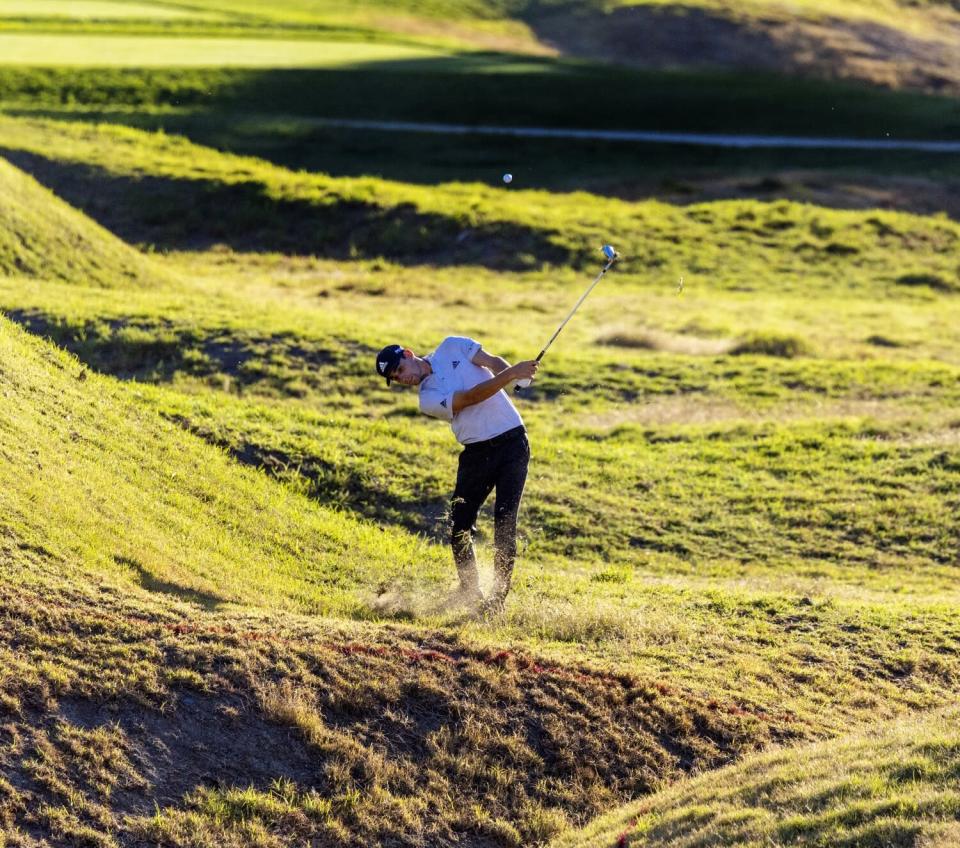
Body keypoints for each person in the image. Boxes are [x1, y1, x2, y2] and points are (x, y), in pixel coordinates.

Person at [375, 338, 539, 614]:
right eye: (395, 378)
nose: (402, 378)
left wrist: (516, 375)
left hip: (513, 443)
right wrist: (512, 374)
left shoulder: (452, 346)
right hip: (477, 454)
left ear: (408, 354)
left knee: (505, 523)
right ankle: (470, 591)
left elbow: (493, 362)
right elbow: (470, 398)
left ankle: (496, 601)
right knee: (460, 525)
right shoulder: (427, 399)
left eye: (400, 370)